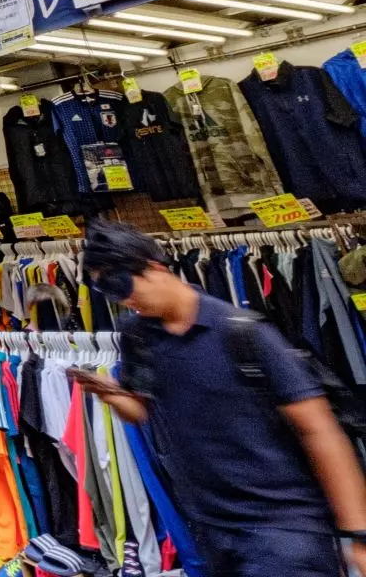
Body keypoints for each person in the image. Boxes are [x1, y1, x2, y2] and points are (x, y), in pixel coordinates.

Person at [80, 220, 366, 577]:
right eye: (105, 290)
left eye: (119, 283)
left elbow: (319, 429)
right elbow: (144, 410)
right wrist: (109, 394)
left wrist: (358, 534)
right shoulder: (137, 335)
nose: (121, 298)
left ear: (154, 268)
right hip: (210, 530)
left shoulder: (242, 332)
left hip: (282, 531)